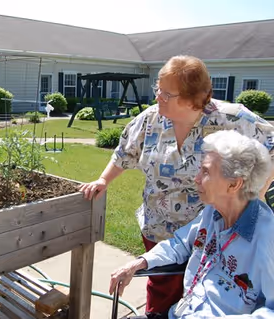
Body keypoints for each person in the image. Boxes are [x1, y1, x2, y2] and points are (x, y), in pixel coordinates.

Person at [79, 55, 274, 316]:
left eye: (166, 93)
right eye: (157, 89)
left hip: (215, 233)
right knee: (163, 296)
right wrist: (103, 179)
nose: (158, 96)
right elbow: (125, 152)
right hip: (159, 230)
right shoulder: (151, 120)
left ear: (193, 99)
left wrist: (254, 195)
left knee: (216, 294)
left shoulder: (232, 119)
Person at [109, 130, 274, 318]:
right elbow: (179, 244)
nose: (196, 179)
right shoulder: (213, 212)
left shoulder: (266, 238)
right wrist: (139, 263)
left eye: (206, 172)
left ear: (233, 185)